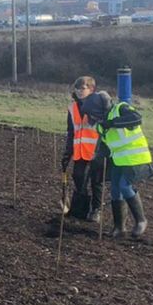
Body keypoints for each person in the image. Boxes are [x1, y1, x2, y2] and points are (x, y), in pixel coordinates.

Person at [93, 94, 153, 238]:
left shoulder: (121, 109)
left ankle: (141, 220)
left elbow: (136, 118)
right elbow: (104, 144)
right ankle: (119, 227)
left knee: (124, 187)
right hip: (119, 160)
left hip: (136, 159)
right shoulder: (100, 124)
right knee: (115, 190)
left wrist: (111, 123)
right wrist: (97, 157)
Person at [61, 76, 111, 222]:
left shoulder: (99, 106)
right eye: (78, 88)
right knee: (78, 177)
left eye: (83, 88)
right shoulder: (72, 108)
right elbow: (71, 132)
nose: (80, 91)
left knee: (96, 181)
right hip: (80, 151)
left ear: (91, 89)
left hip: (96, 151)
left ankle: (96, 210)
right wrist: (67, 153)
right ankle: (81, 208)